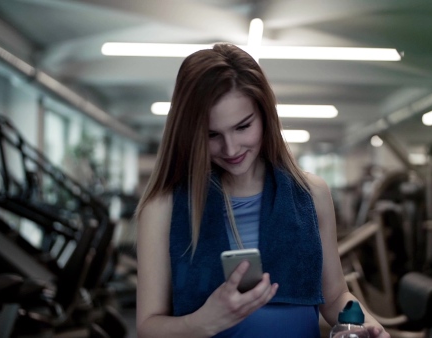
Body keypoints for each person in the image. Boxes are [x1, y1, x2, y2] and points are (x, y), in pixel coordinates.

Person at [135, 43, 390, 338]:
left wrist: (366, 324)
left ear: (265, 115)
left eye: (243, 127)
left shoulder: (311, 195)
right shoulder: (163, 209)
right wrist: (203, 321)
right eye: (212, 135)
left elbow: (334, 297)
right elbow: (148, 327)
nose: (231, 149)